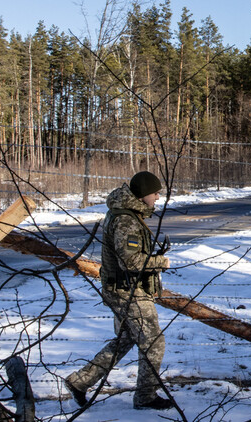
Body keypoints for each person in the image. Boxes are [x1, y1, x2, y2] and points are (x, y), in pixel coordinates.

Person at [65, 171, 174, 411]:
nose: (157, 196)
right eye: (155, 192)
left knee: (126, 339)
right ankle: (146, 397)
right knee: (154, 342)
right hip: (126, 290)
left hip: (122, 288)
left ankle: (79, 382)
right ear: (144, 194)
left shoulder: (127, 214)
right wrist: (160, 263)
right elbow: (132, 263)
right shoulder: (127, 220)